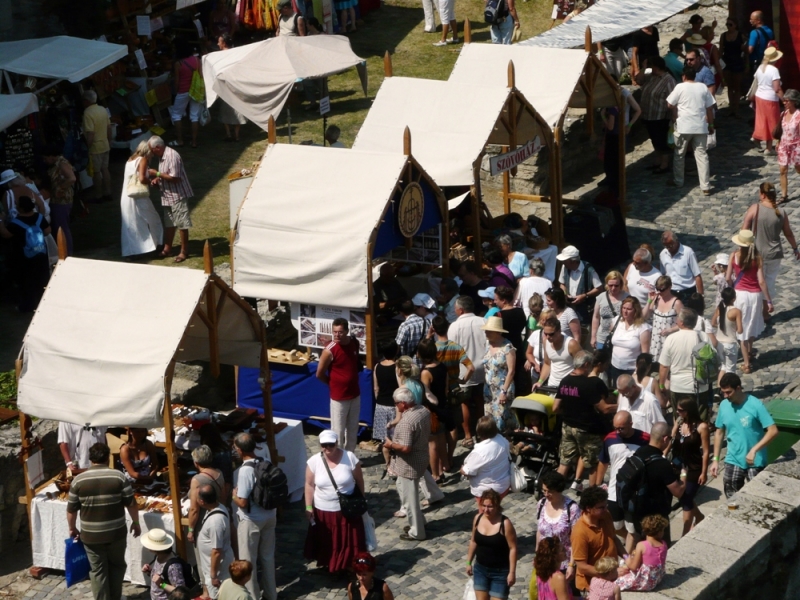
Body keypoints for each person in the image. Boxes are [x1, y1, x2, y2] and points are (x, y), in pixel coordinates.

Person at [66, 443, 141, 600]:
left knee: (98, 571)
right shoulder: (119, 477)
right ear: (107, 458)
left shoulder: (78, 480)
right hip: (116, 534)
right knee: (117, 566)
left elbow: (71, 509)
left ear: (90, 459)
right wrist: (136, 522)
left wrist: (72, 528)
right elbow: (131, 504)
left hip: (91, 536)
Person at [304, 429, 366, 570]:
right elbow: (309, 485)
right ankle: (331, 566)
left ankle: (347, 566)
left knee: (348, 541)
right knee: (328, 541)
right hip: (323, 511)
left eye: (331, 445)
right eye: (324, 445)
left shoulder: (349, 457)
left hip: (347, 510)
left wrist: (361, 500)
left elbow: (359, 480)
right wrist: (308, 507)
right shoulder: (314, 461)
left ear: (337, 443)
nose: (327, 448)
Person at [554, 351, 616, 491]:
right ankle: (592, 495)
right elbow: (605, 409)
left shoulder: (565, 380)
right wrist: (623, 406)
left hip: (567, 426)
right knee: (592, 464)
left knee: (564, 462)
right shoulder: (588, 384)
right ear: (587, 364)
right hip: (586, 430)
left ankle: (552, 491)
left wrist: (570, 411)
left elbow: (555, 408)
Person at [712, 373, 778, 498]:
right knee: (732, 500)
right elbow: (719, 433)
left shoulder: (755, 404)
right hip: (732, 460)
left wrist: (754, 450)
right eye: (723, 392)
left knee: (757, 499)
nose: (725, 396)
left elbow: (773, 431)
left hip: (755, 462)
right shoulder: (724, 405)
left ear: (738, 388)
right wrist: (715, 460)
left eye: (728, 392)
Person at [595, 411, 649, 553]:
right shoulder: (610, 439)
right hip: (614, 491)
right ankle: (637, 541)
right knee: (616, 525)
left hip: (634, 492)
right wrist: (598, 484)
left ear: (631, 424)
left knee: (632, 527)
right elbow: (603, 462)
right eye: (615, 428)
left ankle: (628, 556)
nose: (618, 431)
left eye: (621, 428)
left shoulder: (644, 439)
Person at [231, 432, 277, 600]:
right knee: (268, 558)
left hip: (251, 520)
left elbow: (242, 502)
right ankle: (271, 595)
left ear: (240, 450)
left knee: (247, 561)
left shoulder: (245, 471)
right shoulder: (266, 461)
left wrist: (233, 495)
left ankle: (252, 597)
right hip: (270, 515)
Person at [741, 181, 798, 310]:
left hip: (757, 253)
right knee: (769, 282)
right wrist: (795, 248)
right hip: (774, 254)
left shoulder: (755, 208)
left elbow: (744, 230)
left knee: (757, 282)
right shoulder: (781, 212)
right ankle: (766, 310)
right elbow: (788, 233)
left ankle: (758, 310)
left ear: (762, 195)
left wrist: (742, 249)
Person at [385, 386, 431, 540]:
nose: (395, 406)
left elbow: (405, 448)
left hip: (409, 465)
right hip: (421, 457)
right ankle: (419, 523)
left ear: (403, 404)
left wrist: (390, 444)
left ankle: (417, 532)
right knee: (409, 496)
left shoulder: (406, 422)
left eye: (396, 403)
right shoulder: (423, 411)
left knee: (410, 500)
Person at [627, 423, 685, 540]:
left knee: (643, 545)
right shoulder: (662, 464)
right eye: (670, 438)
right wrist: (684, 474)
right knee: (660, 547)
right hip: (656, 518)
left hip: (638, 512)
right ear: (665, 439)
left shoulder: (639, 452)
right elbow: (678, 492)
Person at [431, 315, 474, 466]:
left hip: (437, 390)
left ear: (434, 329)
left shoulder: (433, 348)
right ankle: (449, 457)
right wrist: (463, 380)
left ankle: (442, 461)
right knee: (453, 425)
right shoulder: (456, 347)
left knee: (439, 427)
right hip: (454, 389)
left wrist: (428, 337)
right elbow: (471, 367)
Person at [726, 229, 771, 373]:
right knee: (751, 324)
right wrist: (768, 301)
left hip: (740, 295)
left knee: (742, 328)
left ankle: (746, 364)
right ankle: (750, 352)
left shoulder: (734, 255)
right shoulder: (757, 258)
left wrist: (731, 289)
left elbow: (728, 278)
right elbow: (762, 281)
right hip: (755, 295)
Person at [666, 66, 715, 195]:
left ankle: (679, 181)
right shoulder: (703, 87)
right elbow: (709, 108)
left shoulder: (680, 87)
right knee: (702, 155)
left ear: (684, 76)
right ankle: (705, 186)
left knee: (679, 154)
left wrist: (676, 109)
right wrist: (711, 125)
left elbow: (670, 104)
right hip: (700, 126)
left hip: (684, 126)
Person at [186, 445, 227, 598]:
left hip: (203, 520)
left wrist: (191, 529)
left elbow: (194, 509)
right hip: (218, 513)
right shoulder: (219, 473)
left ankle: (207, 591)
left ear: (196, 462)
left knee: (202, 557)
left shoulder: (197, 479)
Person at [658, 308, 713, 419]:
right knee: (700, 419)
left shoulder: (671, 339)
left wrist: (661, 385)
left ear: (681, 322)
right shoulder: (703, 336)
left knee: (679, 418)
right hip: (700, 386)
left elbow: (664, 366)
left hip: (678, 386)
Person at [316, 318, 362, 451]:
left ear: (347, 331)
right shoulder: (329, 350)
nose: (337, 335)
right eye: (335, 332)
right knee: (338, 430)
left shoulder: (354, 343)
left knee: (353, 428)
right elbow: (319, 373)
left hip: (354, 393)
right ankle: (338, 456)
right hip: (339, 397)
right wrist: (332, 384)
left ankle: (350, 455)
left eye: (340, 332)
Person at [570, 486, 625, 594]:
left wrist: (627, 557)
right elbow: (582, 567)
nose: (605, 509)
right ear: (588, 508)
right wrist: (610, 573)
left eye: (606, 506)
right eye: (601, 507)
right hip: (591, 586)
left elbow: (614, 538)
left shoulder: (606, 515)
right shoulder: (580, 532)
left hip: (610, 579)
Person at [449, 296, 487, 449]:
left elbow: (452, 349)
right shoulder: (483, 321)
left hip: (464, 369)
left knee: (464, 402)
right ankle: (482, 433)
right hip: (483, 366)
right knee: (480, 400)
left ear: (460, 310)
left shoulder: (454, 326)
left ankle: (468, 436)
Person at [147, 136, 193, 262]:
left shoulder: (172, 156)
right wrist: (158, 179)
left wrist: (156, 174)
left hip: (178, 195)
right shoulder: (162, 156)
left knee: (182, 224)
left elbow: (175, 178)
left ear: (157, 147)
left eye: (151, 149)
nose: (151, 152)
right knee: (169, 224)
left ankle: (184, 251)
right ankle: (167, 249)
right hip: (167, 195)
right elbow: (167, 174)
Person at [466, 489, 518, 600]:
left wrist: (512, 572)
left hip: (500, 573)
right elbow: (473, 541)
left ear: (497, 506)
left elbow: (513, 548)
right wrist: (468, 562)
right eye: (484, 506)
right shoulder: (477, 519)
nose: (486, 510)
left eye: (490, 507)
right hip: (480, 569)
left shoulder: (505, 524)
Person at [1, 195, 49, 313]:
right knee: (42, 280)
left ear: (21, 208)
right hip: (41, 254)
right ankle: (45, 302)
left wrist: (0, 221)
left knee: (27, 283)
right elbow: (48, 231)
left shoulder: (15, 223)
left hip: (24, 259)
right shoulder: (39, 217)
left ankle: (28, 306)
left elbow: (6, 234)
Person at [670, 397, 709, 536]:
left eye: (680, 410)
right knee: (682, 496)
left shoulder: (701, 427)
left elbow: (705, 451)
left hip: (693, 467)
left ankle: (685, 534)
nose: (678, 412)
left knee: (686, 499)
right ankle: (699, 516)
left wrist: (704, 472)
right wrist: (675, 427)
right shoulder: (679, 422)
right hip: (678, 465)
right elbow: (672, 439)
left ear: (689, 410)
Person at [535, 471, 580, 582]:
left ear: (558, 489)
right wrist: (537, 554)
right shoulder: (541, 504)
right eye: (544, 490)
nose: (546, 494)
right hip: (544, 562)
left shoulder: (572, 508)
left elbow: (576, 539)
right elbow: (539, 531)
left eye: (550, 491)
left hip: (563, 563)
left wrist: (571, 565)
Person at [121, 141, 163, 257]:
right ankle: (155, 245)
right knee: (152, 218)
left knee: (131, 224)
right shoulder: (142, 160)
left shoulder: (130, 159)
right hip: (138, 196)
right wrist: (151, 182)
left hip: (126, 195)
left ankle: (132, 251)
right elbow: (142, 178)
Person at [418, 338, 451, 481]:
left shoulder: (426, 372)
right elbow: (446, 388)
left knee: (432, 444)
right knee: (441, 440)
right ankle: (444, 466)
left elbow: (426, 394)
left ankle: (435, 474)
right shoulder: (442, 366)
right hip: (443, 406)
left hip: (432, 411)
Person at [636, 56, 676, 174]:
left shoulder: (668, 80)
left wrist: (673, 117)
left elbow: (673, 99)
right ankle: (657, 161)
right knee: (654, 139)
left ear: (657, 67)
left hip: (661, 116)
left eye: (651, 66)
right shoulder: (651, 76)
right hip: (648, 115)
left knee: (661, 140)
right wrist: (643, 68)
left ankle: (664, 164)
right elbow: (638, 80)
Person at [461, 416, 511, 504]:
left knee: (486, 512)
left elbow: (467, 471)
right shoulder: (502, 439)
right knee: (496, 509)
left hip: (486, 492)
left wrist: (461, 469)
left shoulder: (480, 451)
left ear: (479, 432)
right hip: (504, 485)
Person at [196, 484, 235, 599]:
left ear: (202, 501)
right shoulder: (219, 507)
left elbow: (217, 551)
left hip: (218, 571)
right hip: (216, 568)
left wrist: (213, 576)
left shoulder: (215, 522)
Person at [480, 316, 517, 433]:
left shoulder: (507, 347)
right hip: (489, 390)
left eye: (489, 331)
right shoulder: (487, 344)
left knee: (501, 421)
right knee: (489, 421)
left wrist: (504, 391)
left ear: (498, 332)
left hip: (502, 389)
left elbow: (511, 371)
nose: (486, 333)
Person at [615, 514, 669, 592]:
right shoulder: (664, 544)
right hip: (656, 578)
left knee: (617, 576)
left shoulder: (642, 545)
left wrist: (626, 557)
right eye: (663, 530)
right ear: (659, 532)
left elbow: (633, 567)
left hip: (644, 582)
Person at [608, 297, 651, 383]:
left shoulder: (643, 327)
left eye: (629, 309)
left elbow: (645, 353)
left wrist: (637, 372)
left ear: (636, 310)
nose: (625, 311)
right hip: (615, 367)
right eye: (623, 308)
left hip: (632, 370)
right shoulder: (616, 321)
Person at [41, 148, 75, 255]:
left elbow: (72, 178)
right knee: (60, 226)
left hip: (62, 201)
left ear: (51, 156)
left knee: (62, 227)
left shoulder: (61, 163)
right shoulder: (57, 163)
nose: (45, 161)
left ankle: (67, 252)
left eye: (45, 158)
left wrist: (60, 189)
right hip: (58, 200)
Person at [557, 245, 602, 325]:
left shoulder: (589, 270)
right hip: (569, 308)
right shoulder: (565, 267)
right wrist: (565, 294)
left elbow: (599, 288)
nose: (563, 262)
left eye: (565, 261)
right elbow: (562, 284)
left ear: (573, 261)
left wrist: (585, 295)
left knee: (583, 329)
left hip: (584, 311)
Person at [533, 315, 581, 391]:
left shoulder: (572, 344)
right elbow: (547, 364)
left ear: (559, 331)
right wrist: (540, 381)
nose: (548, 337)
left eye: (551, 334)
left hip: (569, 388)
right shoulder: (546, 342)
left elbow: (581, 366)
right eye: (545, 334)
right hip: (552, 386)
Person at [752, 47, 785, 155]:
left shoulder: (761, 67)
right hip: (770, 98)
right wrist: (784, 100)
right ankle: (769, 148)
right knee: (772, 122)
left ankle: (757, 137)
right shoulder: (774, 70)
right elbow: (777, 88)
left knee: (762, 120)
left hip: (759, 96)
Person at [169, 41, 202, 148]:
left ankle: (180, 140)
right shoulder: (197, 60)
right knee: (194, 116)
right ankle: (194, 141)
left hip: (183, 91)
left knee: (176, 115)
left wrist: (176, 91)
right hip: (195, 91)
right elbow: (201, 75)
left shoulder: (178, 64)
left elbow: (177, 81)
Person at [82, 90, 112, 203]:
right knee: (105, 169)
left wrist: (87, 147)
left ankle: (99, 195)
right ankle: (108, 193)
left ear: (86, 101)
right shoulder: (102, 109)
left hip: (95, 147)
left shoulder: (87, 113)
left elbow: (90, 133)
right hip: (105, 144)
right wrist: (109, 141)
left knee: (97, 172)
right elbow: (109, 127)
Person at [217, 35, 247, 142]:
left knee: (226, 109)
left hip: (226, 84)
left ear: (224, 43)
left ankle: (229, 133)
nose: (218, 44)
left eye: (219, 42)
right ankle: (236, 135)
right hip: (235, 83)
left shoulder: (220, 56)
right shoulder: (236, 53)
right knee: (236, 108)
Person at [373, 339, 399, 465]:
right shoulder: (397, 367)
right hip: (394, 406)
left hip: (381, 405)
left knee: (385, 439)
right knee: (396, 437)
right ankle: (395, 463)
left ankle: (388, 464)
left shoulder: (377, 366)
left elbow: (376, 388)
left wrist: (378, 400)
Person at [140, 529, 186, 600]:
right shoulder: (158, 556)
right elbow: (162, 576)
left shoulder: (173, 566)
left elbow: (180, 592)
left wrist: (161, 584)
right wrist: (150, 571)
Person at [646, 275, 682, 364]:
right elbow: (647, 314)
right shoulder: (656, 299)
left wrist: (670, 330)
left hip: (669, 339)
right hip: (656, 341)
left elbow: (683, 323)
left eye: (662, 289)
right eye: (657, 289)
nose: (659, 292)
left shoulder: (676, 303)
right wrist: (650, 300)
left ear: (669, 287)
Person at [659, 231, 704, 303]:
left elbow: (697, 275)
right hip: (671, 292)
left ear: (676, 241)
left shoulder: (688, 252)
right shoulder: (663, 254)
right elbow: (663, 274)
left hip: (688, 292)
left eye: (670, 245)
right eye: (666, 246)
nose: (669, 248)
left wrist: (701, 296)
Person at [712, 288, 743, 382]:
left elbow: (713, 323)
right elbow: (740, 330)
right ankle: (729, 387)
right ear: (734, 299)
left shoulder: (719, 308)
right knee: (731, 370)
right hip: (730, 343)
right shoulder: (736, 311)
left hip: (719, 343)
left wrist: (722, 326)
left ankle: (719, 387)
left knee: (723, 367)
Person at [592, 272, 628, 351]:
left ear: (621, 284)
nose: (613, 288)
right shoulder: (601, 297)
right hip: (602, 338)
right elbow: (596, 317)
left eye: (616, 285)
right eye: (610, 285)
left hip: (620, 339)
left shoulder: (627, 297)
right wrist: (593, 336)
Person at [720, 18, 747, 117]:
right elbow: (720, 51)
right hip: (727, 63)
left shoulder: (740, 36)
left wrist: (747, 64)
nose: (728, 26)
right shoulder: (723, 36)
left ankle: (736, 108)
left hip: (738, 62)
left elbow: (746, 51)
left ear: (735, 25)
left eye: (730, 24)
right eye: (727, 24)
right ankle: (731, 108)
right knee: (730, 87)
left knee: (737, 86)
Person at [534, 536, 573, 600]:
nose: (566, 550)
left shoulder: (540, 573)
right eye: (562, 550)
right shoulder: (559, 577)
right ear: (554, 556)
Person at [778, 89, 800, 202]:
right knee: (783, 170)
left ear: (794, 101)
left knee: (798, 169)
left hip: (796, 146)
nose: (784, 103)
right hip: (783, 145)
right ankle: (784, 195)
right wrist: (778, 142)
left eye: (787, 101)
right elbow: (780, 131)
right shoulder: (783, 114)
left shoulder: (798, 116)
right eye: (784, 100)